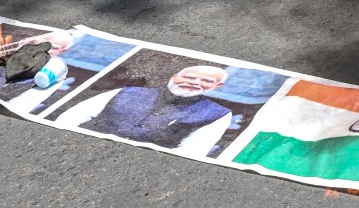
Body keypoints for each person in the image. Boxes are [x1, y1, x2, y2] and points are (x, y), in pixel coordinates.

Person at [56, 65, 233, 155]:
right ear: (175, 77)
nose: (194, 82)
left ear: (218, 86)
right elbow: (75, 115)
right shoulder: (130, 91)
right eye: (189, 77)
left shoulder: (218, 114)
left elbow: (191, 151)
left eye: (207, 81)